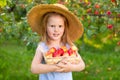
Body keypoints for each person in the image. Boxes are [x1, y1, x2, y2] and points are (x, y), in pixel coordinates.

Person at [27, 4, 85, 80]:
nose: (56, 30)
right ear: (45, 27)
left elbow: (82, 65)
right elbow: (34, 68)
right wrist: (54, 67)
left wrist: (71, 67)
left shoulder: (68, 46)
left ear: (65, 28)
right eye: (52, 26)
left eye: (60, 26)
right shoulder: (43, 47)